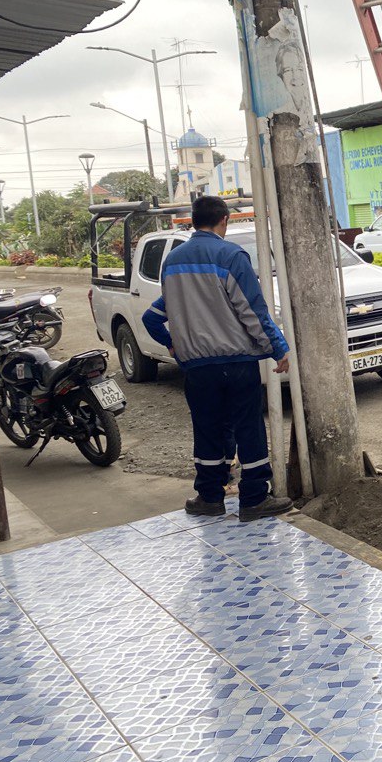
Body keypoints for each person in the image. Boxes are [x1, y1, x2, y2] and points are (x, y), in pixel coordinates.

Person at [142, 195, 294, 522]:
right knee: (248, 428)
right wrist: (278, 348)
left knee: (207, 430)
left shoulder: (172, 262)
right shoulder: (230, 255)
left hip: (197, 367)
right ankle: (254, 499)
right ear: (224, 219)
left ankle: (209, 498)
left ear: (193, 221)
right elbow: (252, 310)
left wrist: (172, 345)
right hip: (236, 362)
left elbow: (154, 316)